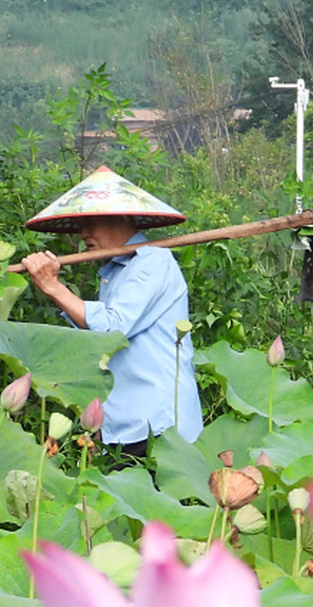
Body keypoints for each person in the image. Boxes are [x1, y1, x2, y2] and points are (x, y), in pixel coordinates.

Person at [18, 166, 202, 461]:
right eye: (80, 224)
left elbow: (112, 329)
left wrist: (54, 287)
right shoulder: (113, 270)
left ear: (120, 216)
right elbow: (99, 348)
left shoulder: (153, 261)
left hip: (158, 425)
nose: (84, 233)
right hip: (123, 427)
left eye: (92, 221)